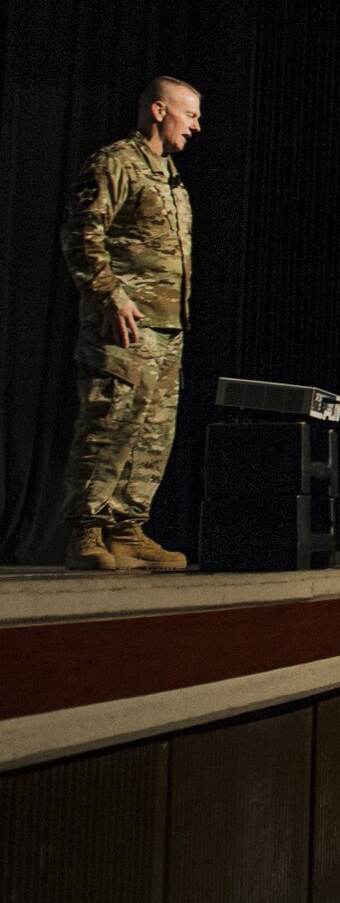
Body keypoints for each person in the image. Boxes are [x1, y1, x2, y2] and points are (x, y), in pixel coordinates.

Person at [58, 76, 202, 571]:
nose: (196, 126)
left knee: (152, 432)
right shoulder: (115, 162)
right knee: (109, 424)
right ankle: (86, 529)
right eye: (190, 115)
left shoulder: (171, 176)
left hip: (167, 326)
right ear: (160, 111)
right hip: (123, 323)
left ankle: (127, 528)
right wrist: (109, 296)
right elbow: (82, 233)